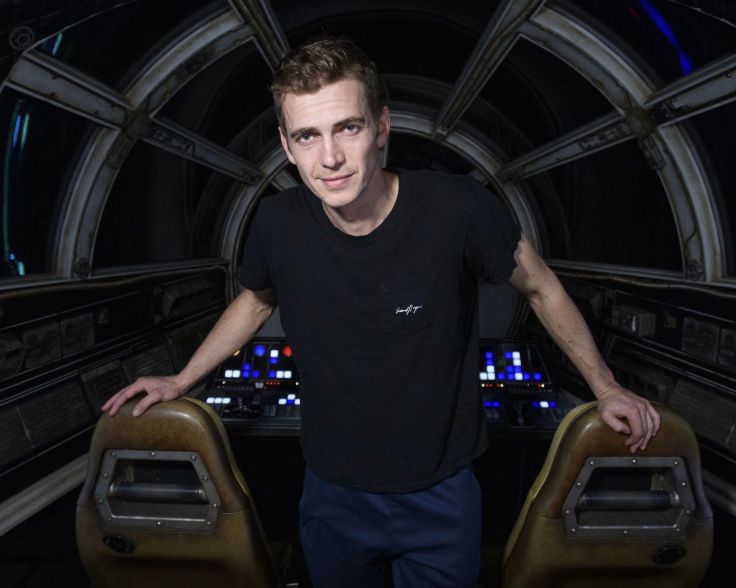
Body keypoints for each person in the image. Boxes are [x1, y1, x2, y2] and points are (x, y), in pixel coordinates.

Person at [102, 36, 660, 588]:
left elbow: (540, 288)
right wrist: (180, 380)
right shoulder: (276, 223)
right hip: (332, 493)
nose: (330, 158)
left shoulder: (460, 209)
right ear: (287, 145)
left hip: (442, 493)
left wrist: (606, 387)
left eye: (348, 127)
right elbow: (255, 301)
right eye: (308, 135)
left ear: (382, 127)